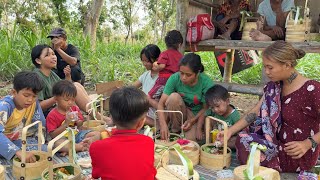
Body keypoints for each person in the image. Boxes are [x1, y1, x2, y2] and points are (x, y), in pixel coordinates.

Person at [217, 41, 320, 172]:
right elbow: (255, 112)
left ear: (287, 65)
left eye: (270, 68)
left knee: (249, 150)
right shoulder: (275, 86)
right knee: (243, 140)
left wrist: (308, 143)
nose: (266, 72)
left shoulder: (312, 89)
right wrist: (230, 131)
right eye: (265, 67)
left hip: (297, 152)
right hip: (274, 143)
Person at [31, 44, 111, 124]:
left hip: (58, 105)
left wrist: (68, 76)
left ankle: (94, 114)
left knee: (77, 85)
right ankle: (98, 117)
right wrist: (56, 98)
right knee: (75, 87)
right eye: (47, 55)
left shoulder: (51, 73)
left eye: (53, 54)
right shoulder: (36, 77)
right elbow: (37, 106)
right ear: (38, 60)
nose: (53, 57)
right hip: (48, 113)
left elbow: (64, 87)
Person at [90, 86, 156, 180]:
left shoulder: (96, 147)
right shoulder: (148, 142)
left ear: (111, 117)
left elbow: (96, 175)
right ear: (141, 122)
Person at [157, 53, 214, 141]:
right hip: (180, 111)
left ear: (197, 73)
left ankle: (183, 131)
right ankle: (175, 130)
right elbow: (161, 104)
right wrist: (163, 125)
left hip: (196, 116)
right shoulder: (174, 78)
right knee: (173, 98)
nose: (183, 78)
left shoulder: (206, 83)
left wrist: (193, 121)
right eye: (181, 73)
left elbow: (205, 108)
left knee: (189, 141)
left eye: (188, 75)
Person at [0, 71, 46, 163]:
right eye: (26, 95)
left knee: (45, 150)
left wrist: (41, 144)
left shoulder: (34, 104)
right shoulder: (5, 107)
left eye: (34, 96)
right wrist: (18, 152)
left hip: (18, 140)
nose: (30, 100)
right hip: (4, 141)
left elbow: (40, 125)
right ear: (14, 92)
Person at [46, 80, 101, 155]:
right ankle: (80, 147)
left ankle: (74, 148)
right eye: (66, 100)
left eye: (72, 99)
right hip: (63, 139)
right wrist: (66, 124)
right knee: (57, 144)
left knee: (97, 134)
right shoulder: (52, 115)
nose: (70, 102)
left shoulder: (74, 109)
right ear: (56, 99)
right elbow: (53, 135)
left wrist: (79, 122)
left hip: (77, 135)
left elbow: (80, 124)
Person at [149, 30, 183, 100]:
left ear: (166, 43)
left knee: (150, 96)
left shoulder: (165, 53)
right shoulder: (181, 56)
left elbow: (162, 66)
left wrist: (155, 66)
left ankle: (157, 108)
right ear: (179, 44)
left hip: (164, 80)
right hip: (177, 80)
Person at [133, 44, 161, 126]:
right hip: (144, 112)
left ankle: (158, 125)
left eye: (147, 61)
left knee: (130, 115)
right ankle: (110, 120)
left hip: (155, 116)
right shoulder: (145, 75)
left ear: (157, 60)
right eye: (143, 61)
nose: (144, 64)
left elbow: (161, 105)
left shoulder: (162, 79)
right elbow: (132, 87)